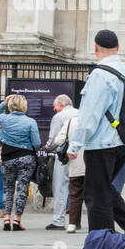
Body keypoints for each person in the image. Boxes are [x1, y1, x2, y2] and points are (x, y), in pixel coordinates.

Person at [67, 30, 125, 238]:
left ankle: (102, 244)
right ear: (118, 48)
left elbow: (90, 114)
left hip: (101, 144)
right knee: (103, 189)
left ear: (95, 47)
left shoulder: (99, 75)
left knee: (96, 196)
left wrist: (75, 145)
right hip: (123, 142)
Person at [0, 95, 41, 231]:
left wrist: (3, 103)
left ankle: (6, 218)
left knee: (7, 188)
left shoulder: (4, 119)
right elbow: (37, 142)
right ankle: (17, 219)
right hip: (26, 156)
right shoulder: (31, 122)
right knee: (23, 188)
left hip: (7, 157)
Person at [45, 95, 79, 230]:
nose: (54, 109)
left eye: (55, 106)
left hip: (64, 155)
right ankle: (75, 221)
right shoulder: (80, 113)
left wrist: (46, 148)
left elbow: (53, 140)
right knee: (78, 187)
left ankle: (58, 220)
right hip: (81, 155)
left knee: (60, 186)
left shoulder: (59, 117)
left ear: (60, 104)